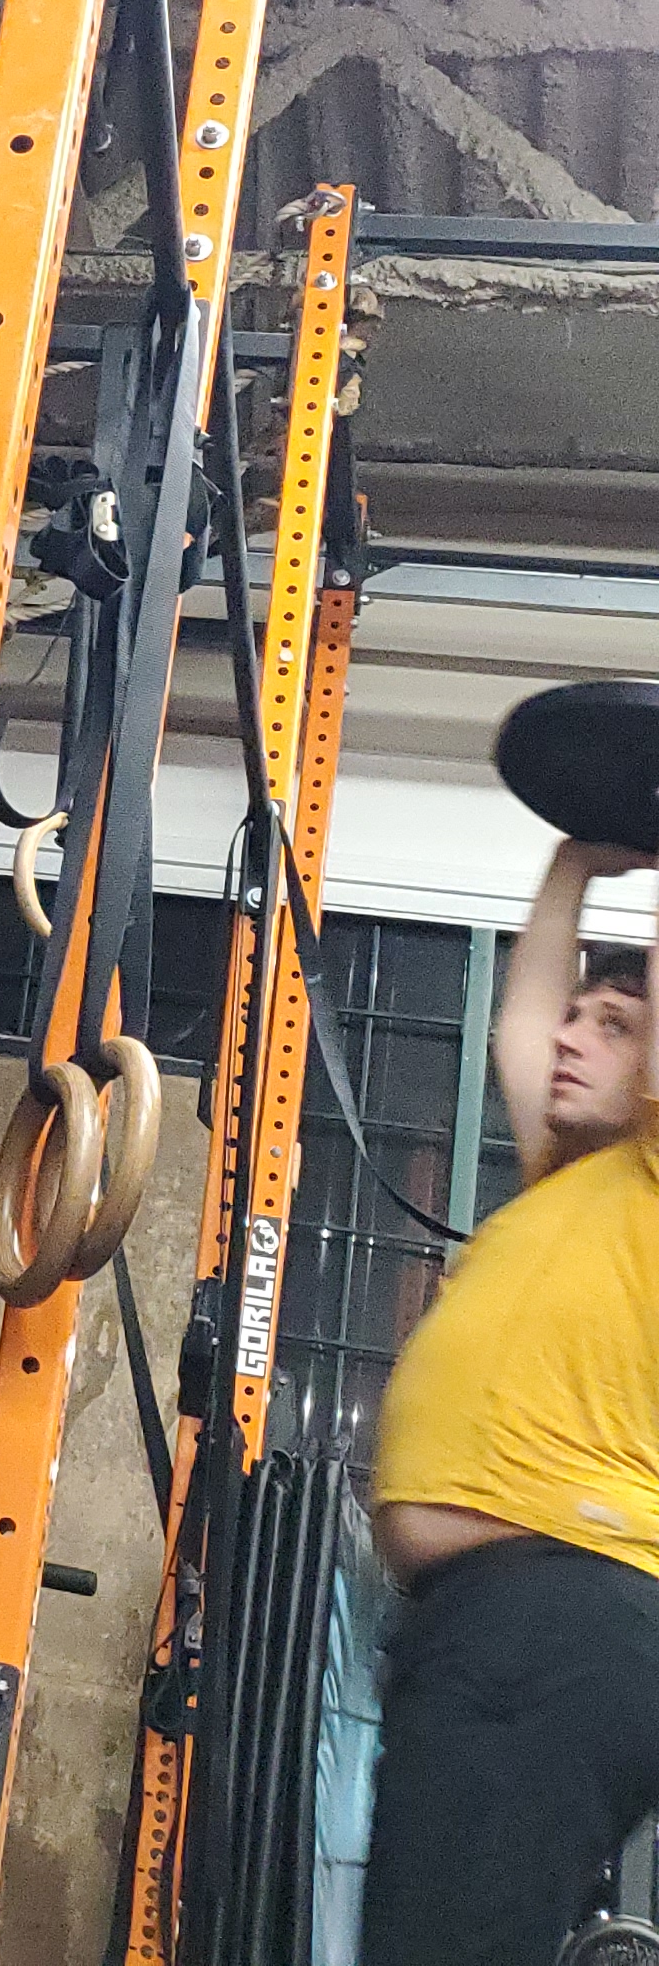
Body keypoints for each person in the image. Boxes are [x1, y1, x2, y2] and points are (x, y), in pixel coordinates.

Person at [361, 832, 659, 1966]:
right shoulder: (565, 1186)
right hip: (497, 1624)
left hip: (564, 1613)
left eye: (615, 1027)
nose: (574, 1040)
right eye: (579, 1018)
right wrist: (574, 867)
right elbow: (524, 1025)